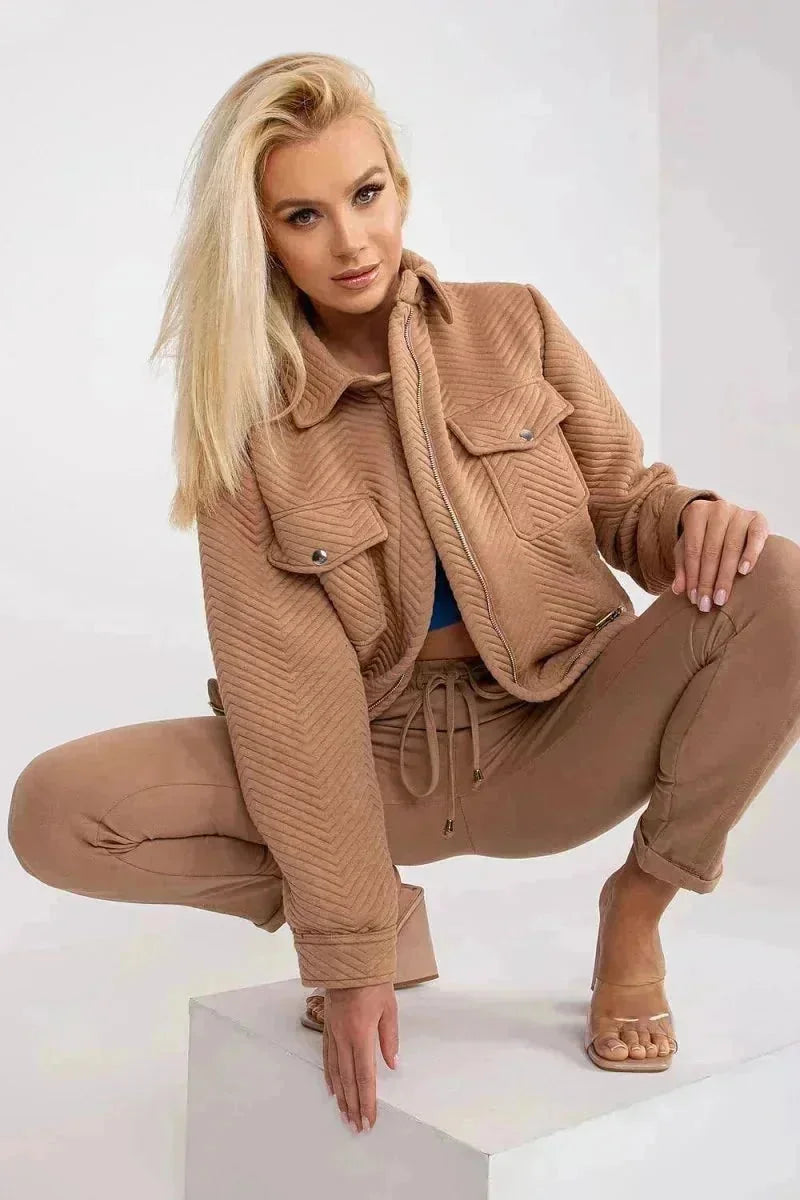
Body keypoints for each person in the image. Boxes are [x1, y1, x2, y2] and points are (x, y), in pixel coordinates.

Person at [8, 52, 800, 1140]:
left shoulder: (510, 323)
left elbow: (627, 506)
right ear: (260, 236)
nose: (350, 241)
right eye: (302, 214)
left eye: (365, 195)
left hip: (556, 731)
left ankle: (636, 910)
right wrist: (349, 949)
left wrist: (690, 520)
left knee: (783, 582)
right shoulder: (245, 424)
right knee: (59, 809)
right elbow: (291, 704)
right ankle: (391, 917)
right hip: (365, 769)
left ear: (400, 187)